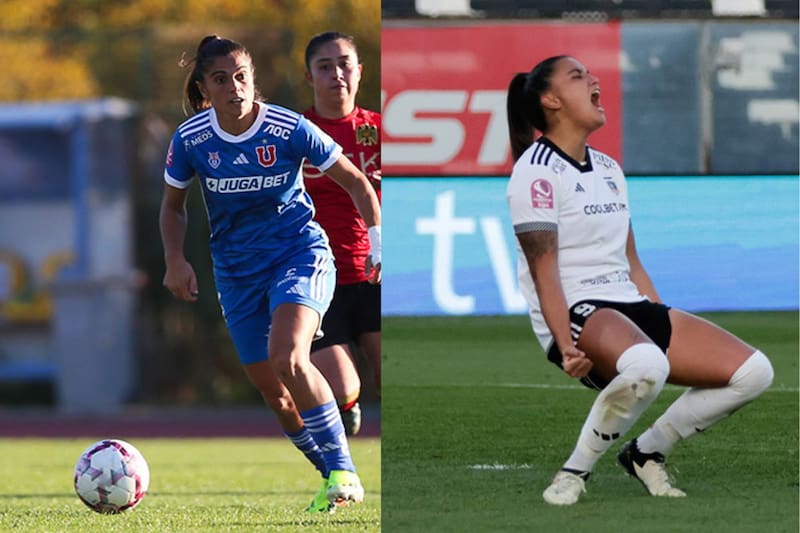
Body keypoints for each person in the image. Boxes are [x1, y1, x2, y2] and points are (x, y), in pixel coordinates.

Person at [505, 55, 774, 506]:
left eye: (589, 73)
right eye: (576, 76)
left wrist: (658, 316)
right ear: (551, 101)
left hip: (626, 303)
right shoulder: (535, 173)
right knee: (649, 366)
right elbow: (544, 269)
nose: (592, 79)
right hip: (576, 311)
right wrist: (565, 344)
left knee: (754, 373)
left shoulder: (609, 169)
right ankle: (574, 472)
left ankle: (646, 452)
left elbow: (630, 258)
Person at [159, 35, 382, 514]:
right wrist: (175, 259)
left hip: (298, 254)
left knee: (289, 357)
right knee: (276, 396)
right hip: (237, 274)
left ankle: (345, 471)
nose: (235, 87)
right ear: (204, 87)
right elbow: (172, 207)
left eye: (242, 76)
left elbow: (356, 180)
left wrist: (378, 241)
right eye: (221, 79)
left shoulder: (286, 127)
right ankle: (332, 477)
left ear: (253, 78)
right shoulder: (191, 139)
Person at [301, 31, 382, 437]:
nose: (337, 74)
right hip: (319, 280)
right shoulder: (297, 135)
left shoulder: (381, 131)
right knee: (344, 389)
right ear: (309, 77)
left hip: (373, 276)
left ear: (360, 71)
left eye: (345, 63)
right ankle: (341, 469)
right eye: (325, 66)